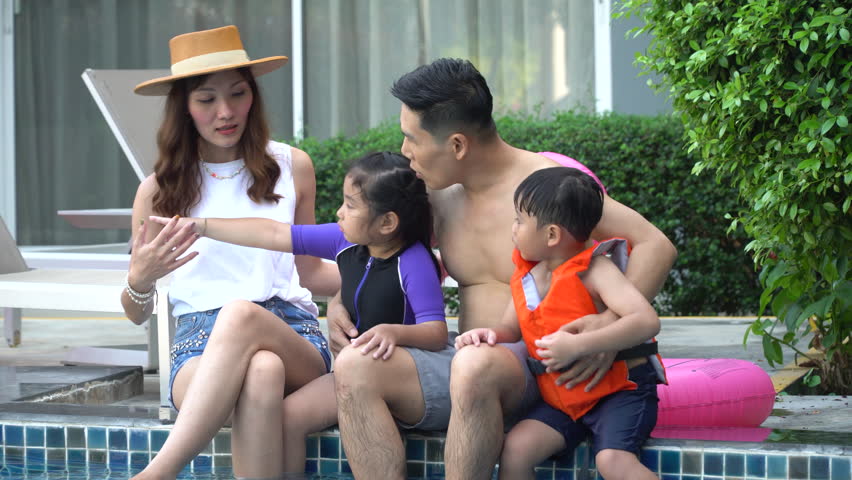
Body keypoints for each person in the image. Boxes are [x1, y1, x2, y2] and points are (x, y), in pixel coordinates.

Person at [326, 58, 678, 479]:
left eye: (412, 138)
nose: (405, 151)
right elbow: (376, 251)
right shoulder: (434, 197)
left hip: (546, 363)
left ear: (457, 145)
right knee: (355, 366)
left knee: (474, 365)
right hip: (466, 360)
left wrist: (605, 333)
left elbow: (655, 245)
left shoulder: (546, 188)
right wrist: (338, 302)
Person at [123, 25, 340, 479]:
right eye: (207, 99)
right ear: (184, 107)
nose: (225, 112)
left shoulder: (291, 166)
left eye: (238, 94)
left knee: (242, 315)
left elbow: (309, 272)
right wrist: (139, 280)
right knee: (261, 371)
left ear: (253, 96)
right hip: (198, 345)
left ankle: (157, 473)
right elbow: (136, 312)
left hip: (292, 332)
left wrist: (376, 276)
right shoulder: (157, 192)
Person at [150, 151, 449, 474]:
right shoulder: (345, 242)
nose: (339, 212)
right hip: (350, 375)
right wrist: (203, 226)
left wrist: (394, 332)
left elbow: (437, 333)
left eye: (350, 205)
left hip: (394, 375)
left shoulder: (415, 262)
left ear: (387, 222)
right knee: (287, 416)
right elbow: (274, 234)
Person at [455, 167, 666, 480]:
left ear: (552, 235)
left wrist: (580, 345)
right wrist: (489, 334)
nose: (513, 228)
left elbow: (646, 321)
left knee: (612, 461)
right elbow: (511, 329)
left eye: (520, 220)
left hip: (620, 394)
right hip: (564, 399)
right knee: (516, 449)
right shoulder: (528, 276)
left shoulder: (595, 270)